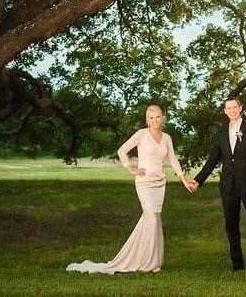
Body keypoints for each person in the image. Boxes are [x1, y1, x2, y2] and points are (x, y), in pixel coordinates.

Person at [67, 105, 192, 274]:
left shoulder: (167, 138)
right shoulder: (141, 134)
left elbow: (173, 159)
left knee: (153, 220)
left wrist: (184, 180)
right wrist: (131, 168)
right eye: (151, 117)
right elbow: (122, 150)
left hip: (160, 184)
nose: (155, 120)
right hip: (144, 183)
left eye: (157, 117)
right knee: (151, 218)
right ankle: (138, 261)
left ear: (163, 118)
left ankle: (152, 262)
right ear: (147, 120)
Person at [187, 97, 246, 274]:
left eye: (235, 107)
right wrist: (198, 180)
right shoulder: (221, 132)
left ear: (240, 108)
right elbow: (212, 160)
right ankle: (237, 264)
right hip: (228, 186)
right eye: (228, 108)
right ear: (225, 111)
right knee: (231, 225)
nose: (232, 110)